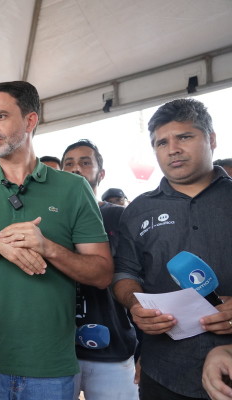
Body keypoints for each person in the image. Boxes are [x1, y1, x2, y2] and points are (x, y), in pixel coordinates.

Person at [0, 81, 113, 400]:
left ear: (30, 120)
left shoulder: (73, 188)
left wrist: (48, 248)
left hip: (50, 366)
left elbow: (101, 274)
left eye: (0, 116)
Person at [113, 98, 232, 400]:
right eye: (161, 143)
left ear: (211, 139)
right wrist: (135, 305)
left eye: (184, 137)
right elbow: (124, 274)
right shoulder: (138, 211)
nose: (173, 149)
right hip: (163, 372)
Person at [61, 140, 138, 400]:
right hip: (58, 351)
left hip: (113, 349)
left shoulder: (120, 216)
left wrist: (147, 349)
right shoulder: (47, 218)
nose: (76, 168)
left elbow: (139, 277)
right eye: (68, 163)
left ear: (101, 173)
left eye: (85, 162)